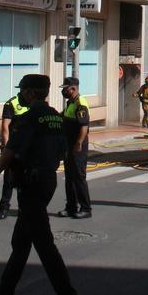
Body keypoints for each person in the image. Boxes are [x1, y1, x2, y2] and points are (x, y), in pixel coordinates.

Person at [0, 74, 83, 295]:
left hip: (32, 184)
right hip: (47, 180)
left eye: (22, 90)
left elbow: (11, 150)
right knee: (21, 241)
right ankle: (5, 291)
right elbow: (64, 149)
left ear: (30, 93)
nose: (20, 95)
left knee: (44, 246)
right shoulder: (57, 118)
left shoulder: (29, 119)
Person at [57, 77, 92, 219]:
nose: (63, 91)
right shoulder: (70, 102)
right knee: (69, 177)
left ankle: (86, 208)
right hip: (68, 144)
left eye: (65, 88)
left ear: (73, 88)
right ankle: (71, 207)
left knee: (78, 177)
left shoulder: (80, 103)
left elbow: (84, 126)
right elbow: (64, 117)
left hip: (77, 145)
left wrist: (78, 143)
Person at [0, 91, 30, 219]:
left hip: (27, 148)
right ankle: (4, 207)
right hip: (14, 147)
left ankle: (24, 208)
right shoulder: (12, 103)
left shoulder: (33, 103)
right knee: (9, 179)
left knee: (26, 180)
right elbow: (5, 126)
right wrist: (6, 147)